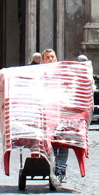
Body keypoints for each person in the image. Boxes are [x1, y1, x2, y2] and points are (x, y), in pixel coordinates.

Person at [40, 48, 68, 183]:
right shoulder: (39, 75)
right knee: (47, 142)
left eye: (52, 57)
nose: (51, 59)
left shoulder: (62, 74)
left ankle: (61, 169)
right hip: (45, 113)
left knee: (63, 142)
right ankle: (51, 166)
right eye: (48, 57)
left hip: (60, 112)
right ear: (43, 60)